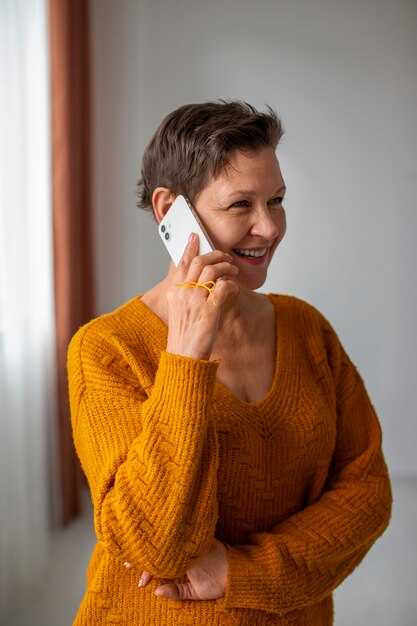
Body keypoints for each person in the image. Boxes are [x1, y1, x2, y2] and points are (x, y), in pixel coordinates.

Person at [67, 101, 392, 626]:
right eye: (241, 204)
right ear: (170, 209)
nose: (268, 227)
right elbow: (156, 547)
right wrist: (185, 357)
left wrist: (243, 571)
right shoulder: (106, 349)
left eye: (277, 200)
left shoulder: (307, 329)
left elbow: (368, 490)